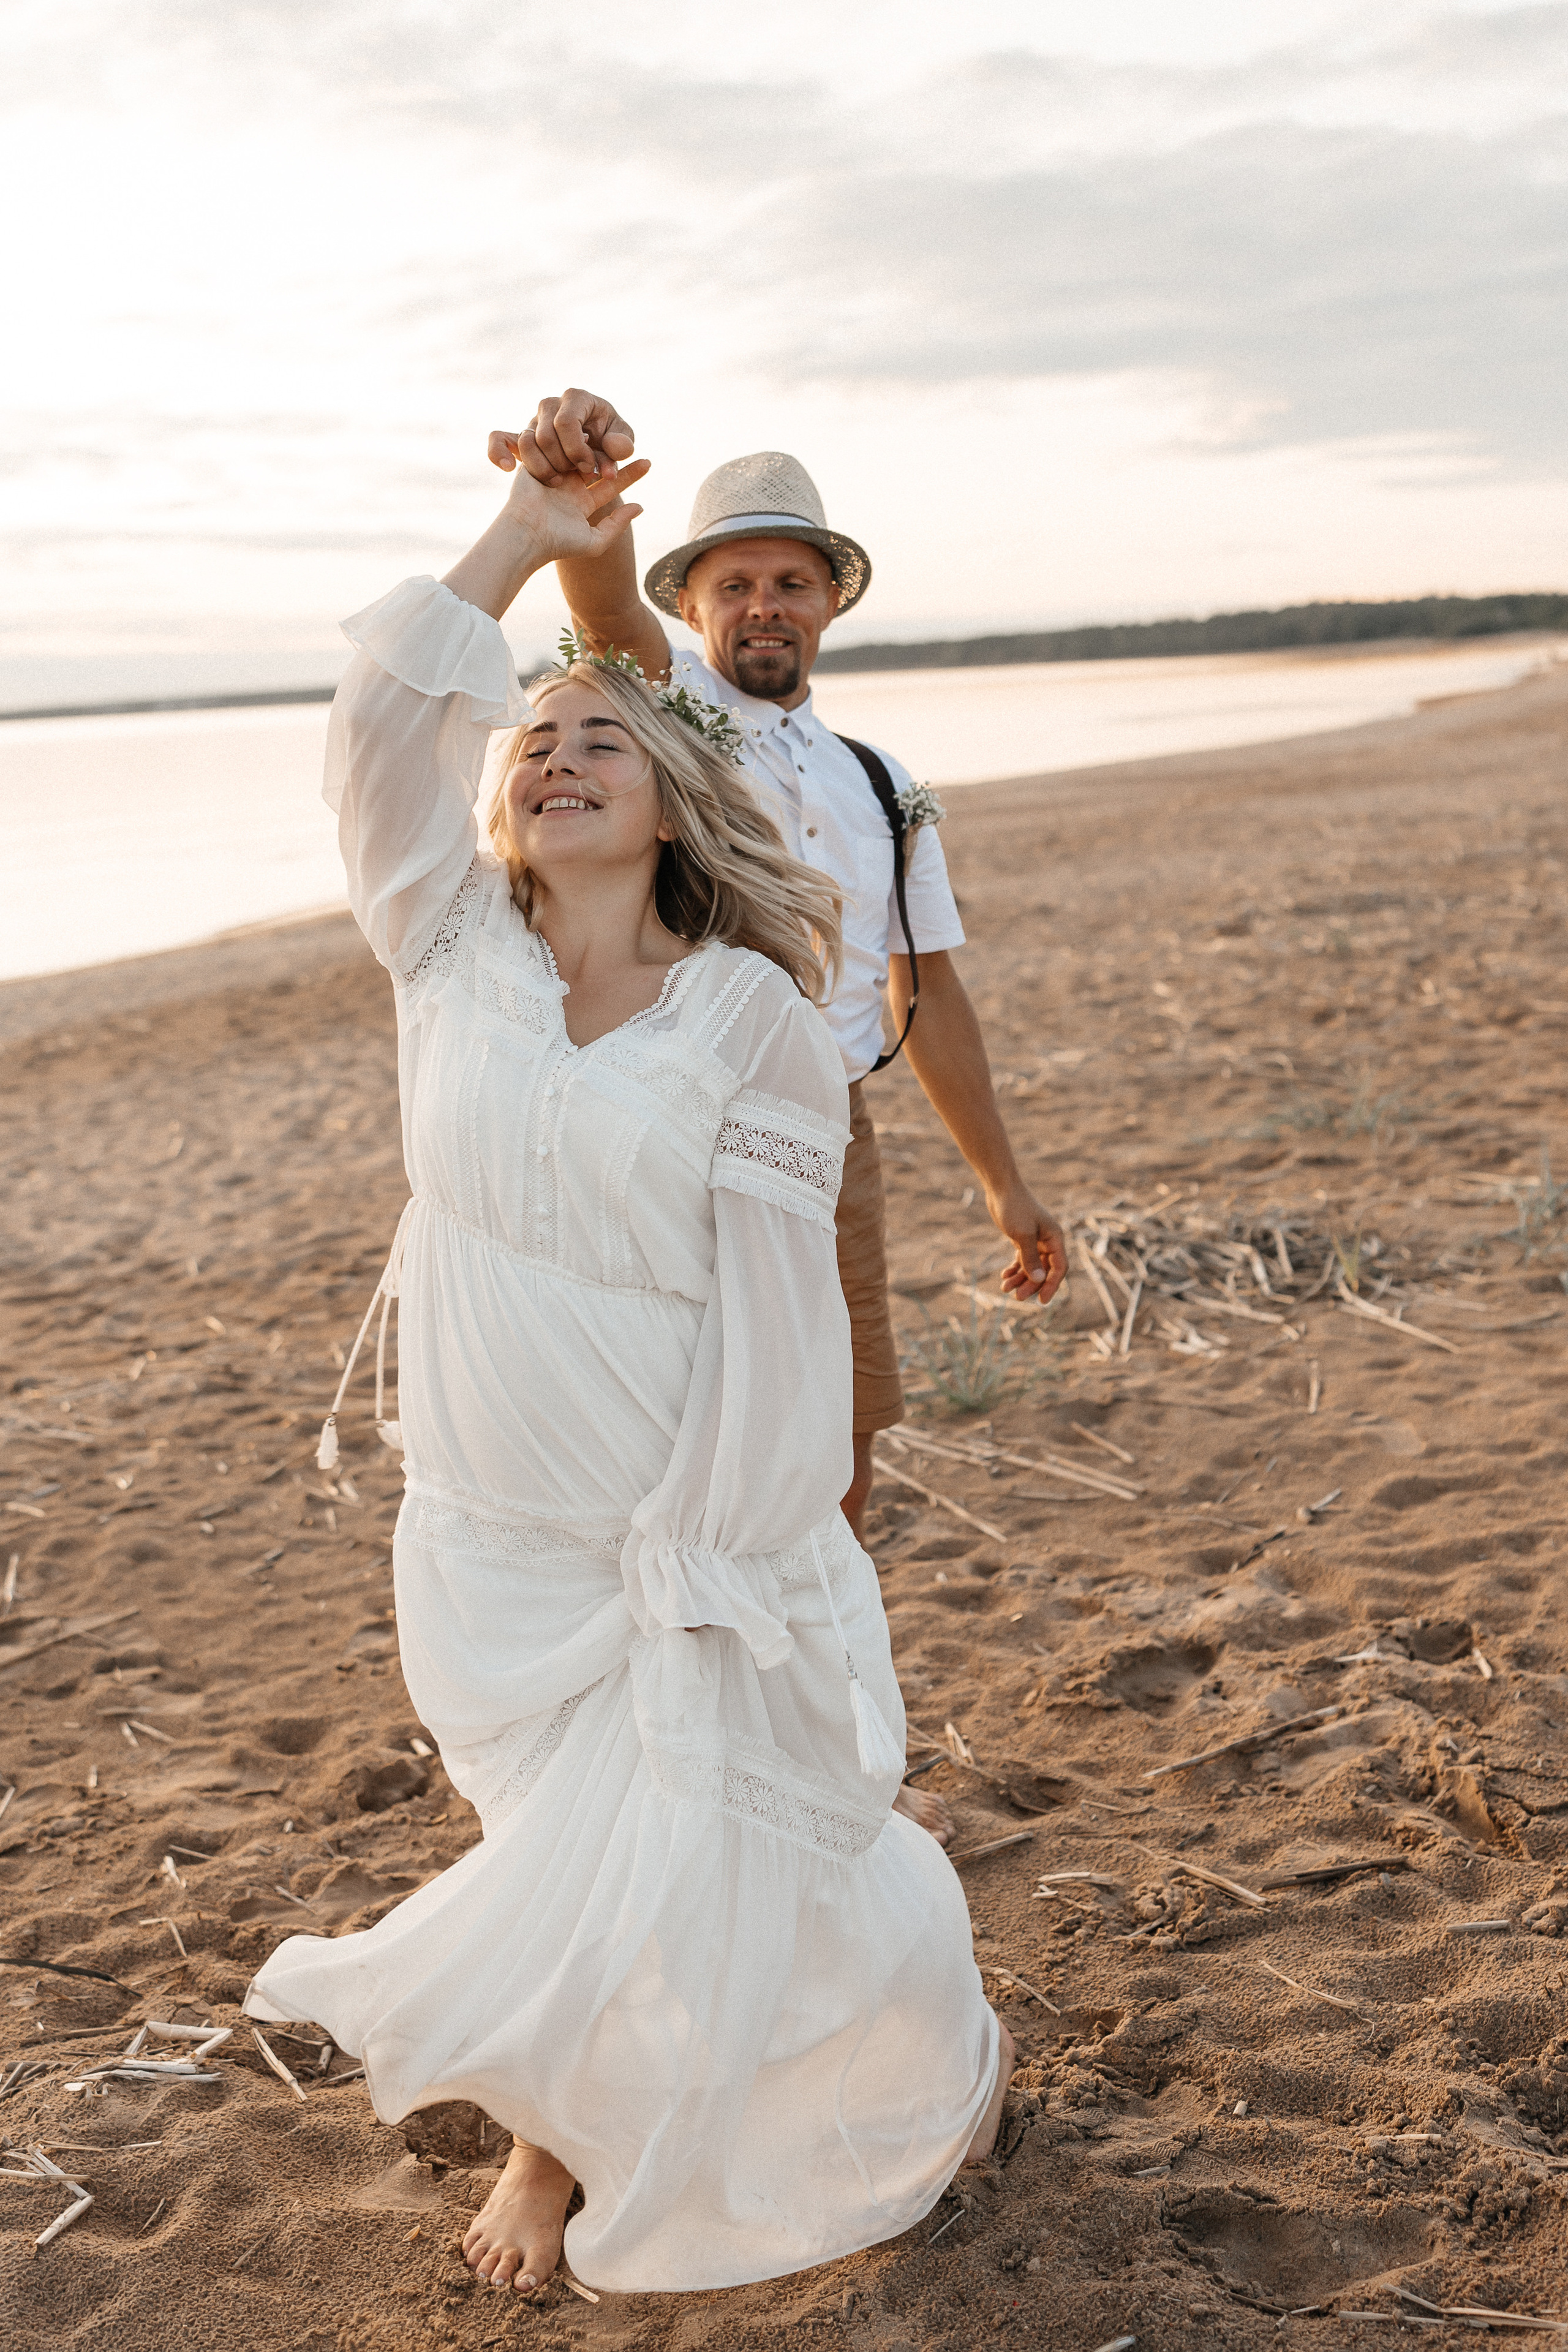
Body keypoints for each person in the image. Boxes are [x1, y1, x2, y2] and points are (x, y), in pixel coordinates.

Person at [244, 450, 1012, 2298]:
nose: (558, 756)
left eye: (601, 741)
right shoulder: (448, 952)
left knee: (689, 1807)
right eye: (533, 746)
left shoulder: (748, 1011)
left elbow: (776, 1307)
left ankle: (547, 2146)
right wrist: (523, 536)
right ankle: (586, 2100)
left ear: (668, 802)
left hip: (669, 1494)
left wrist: (718, 1535)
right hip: (489, 1508)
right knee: (554, 1823)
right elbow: (377, 730)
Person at [488, 394, 1069, 1553]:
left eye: (791, 583)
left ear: (831, 602)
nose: (764, 605)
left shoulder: (881, 781)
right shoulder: (663, 720)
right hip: (666, 1114)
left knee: (841, 1422)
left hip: (826, 1129)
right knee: (665, 1423)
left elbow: (928, 996)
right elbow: (605, 622)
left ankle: (808, 1650)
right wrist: (589, 512)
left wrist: (1004, 1184)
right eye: (735, 584)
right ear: (694, 605)